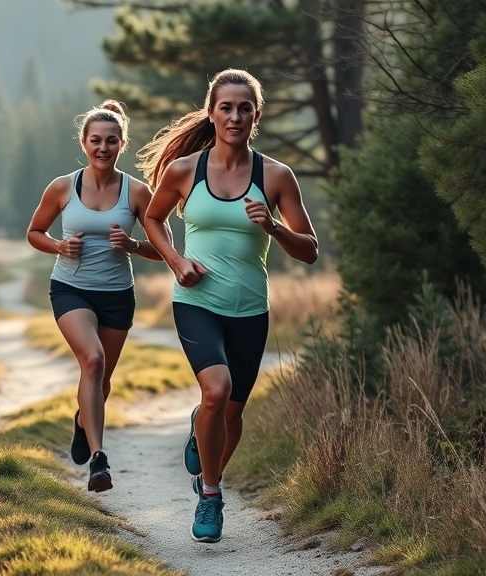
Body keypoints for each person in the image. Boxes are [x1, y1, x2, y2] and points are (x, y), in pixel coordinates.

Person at [138, 69, 319, 542]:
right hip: (196, 300)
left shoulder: (276, 177)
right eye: (226, 107)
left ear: (255, 117)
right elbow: (154, 220)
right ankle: (212, 496)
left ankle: (205, 441)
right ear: (212, 113)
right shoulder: (184, 171)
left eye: (244, 108)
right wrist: (176, 262)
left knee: (232, 414)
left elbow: (310, 249)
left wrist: (274, 228)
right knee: (215, 391)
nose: (235, 116)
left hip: (250, 310)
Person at [27, 100, 165, 493]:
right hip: (70, 289)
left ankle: (81, 420)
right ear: (84, 143)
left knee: (100, 378)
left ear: (122, 144)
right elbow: (34, 232)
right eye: (95, 141)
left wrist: (135, 246)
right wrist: (58, 247)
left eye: (110, 141)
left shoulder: (138, 193)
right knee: (93, 359)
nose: (102, 148)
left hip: (118, 295)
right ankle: (99, 461)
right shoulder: (61, 187)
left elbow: (165, 251)